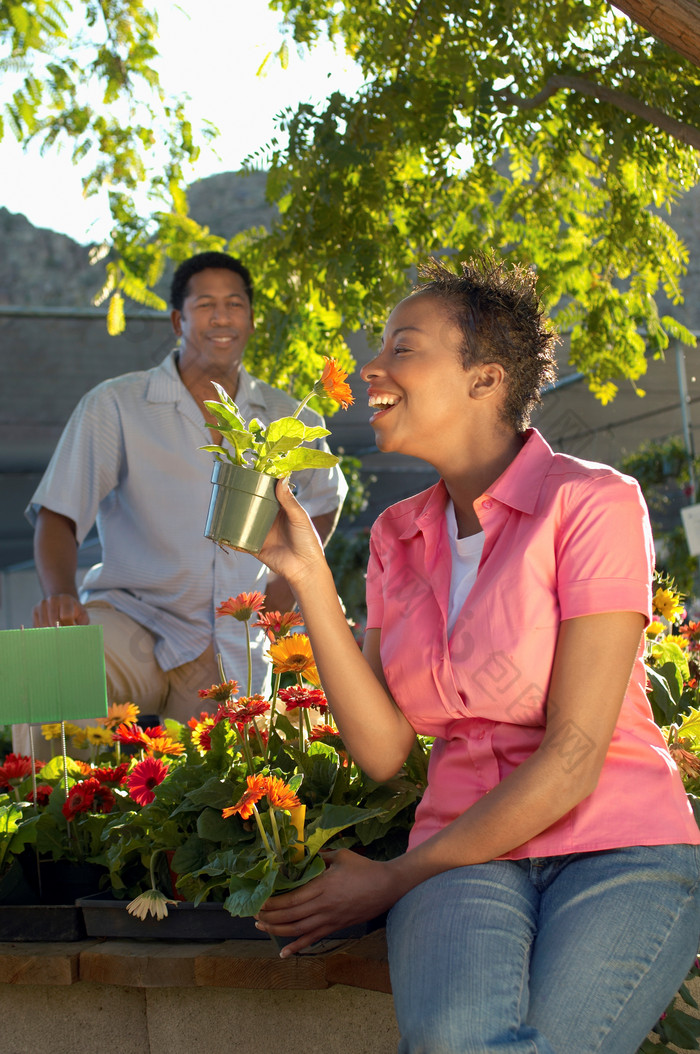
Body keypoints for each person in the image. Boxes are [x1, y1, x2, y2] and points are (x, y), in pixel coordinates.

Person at [250, 253, 700, 1054]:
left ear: (485, 379)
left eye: (403, 348)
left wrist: (392, 880)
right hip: (463, 857)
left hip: (620, 847)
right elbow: (388, 752)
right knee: (460, 1040)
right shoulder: (397, 535)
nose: (373, 367)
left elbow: (573, 755)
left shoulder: (590, 503)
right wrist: (311, 581)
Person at [26, 251, 347, 724]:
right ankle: (41, 798)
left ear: (252, 319)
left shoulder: (292, 417)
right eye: (205, 304)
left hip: (234, 639)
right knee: (51, 666)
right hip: (133, 618)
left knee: (232, 778)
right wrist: (61, 594)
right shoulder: (116, 404)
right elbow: (59, 513)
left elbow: (325, 500)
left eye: (235, 304)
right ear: (178, 319)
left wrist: (286, 583)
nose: (221, 316)